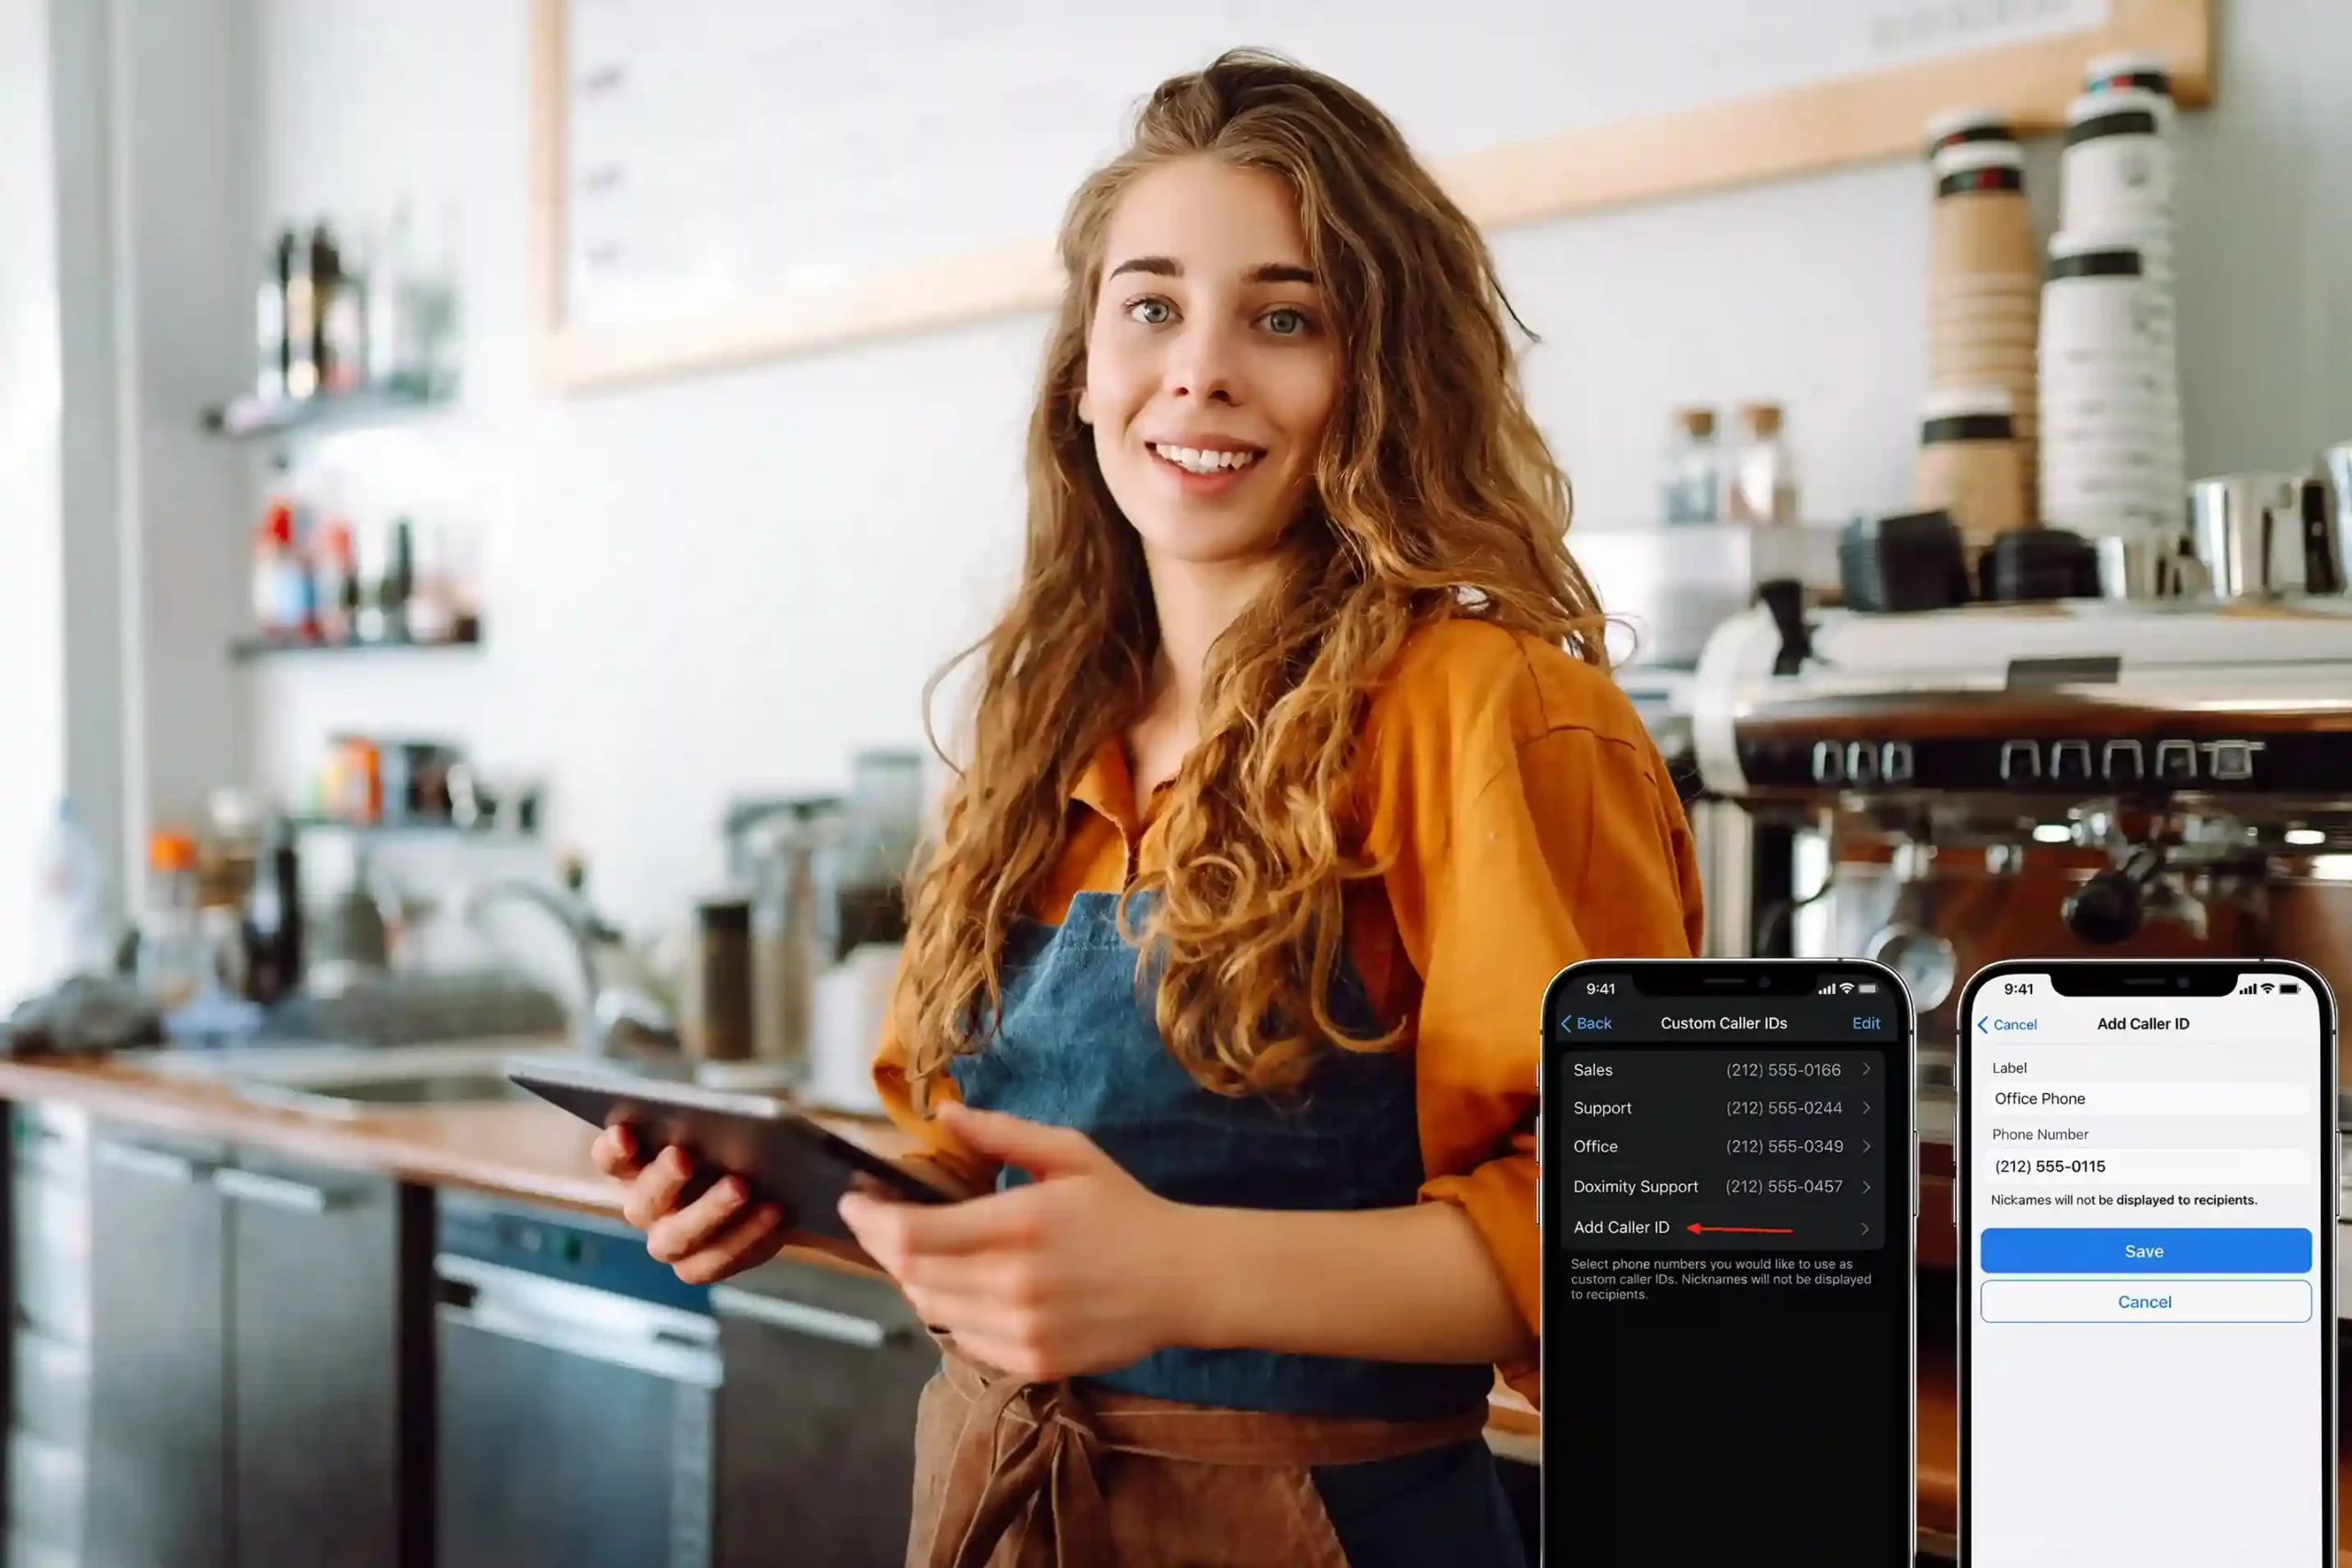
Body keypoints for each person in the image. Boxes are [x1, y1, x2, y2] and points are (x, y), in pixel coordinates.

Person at [593, 47, 1702, 1567]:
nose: (1202, 370)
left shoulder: (1493, 711)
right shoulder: (1040, 720)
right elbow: (974, 1159)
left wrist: (1183, 1273)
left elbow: (1632, 1237)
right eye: (1153, 306)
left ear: (1381, 377)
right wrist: (796, 1195)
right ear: (1084, 370)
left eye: (1287, 317)